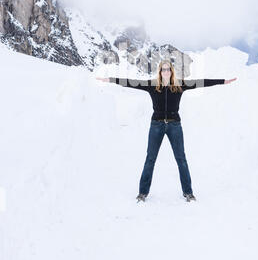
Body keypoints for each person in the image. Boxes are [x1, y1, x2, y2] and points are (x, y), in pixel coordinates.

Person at [96, 59, 237, 203]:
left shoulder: (179, 85)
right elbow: (130, 82)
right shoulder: (152, 85)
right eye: (163, 69)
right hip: (156, 125)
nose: (166, 72)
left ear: (171, 71)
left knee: (181, 159)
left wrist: (223, 81)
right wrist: (110, 80)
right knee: (150, 159)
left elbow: (201, 82)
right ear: (160, 72)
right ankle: (142, 193)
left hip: (174, 125)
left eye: (168, 69)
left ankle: (188, 193)